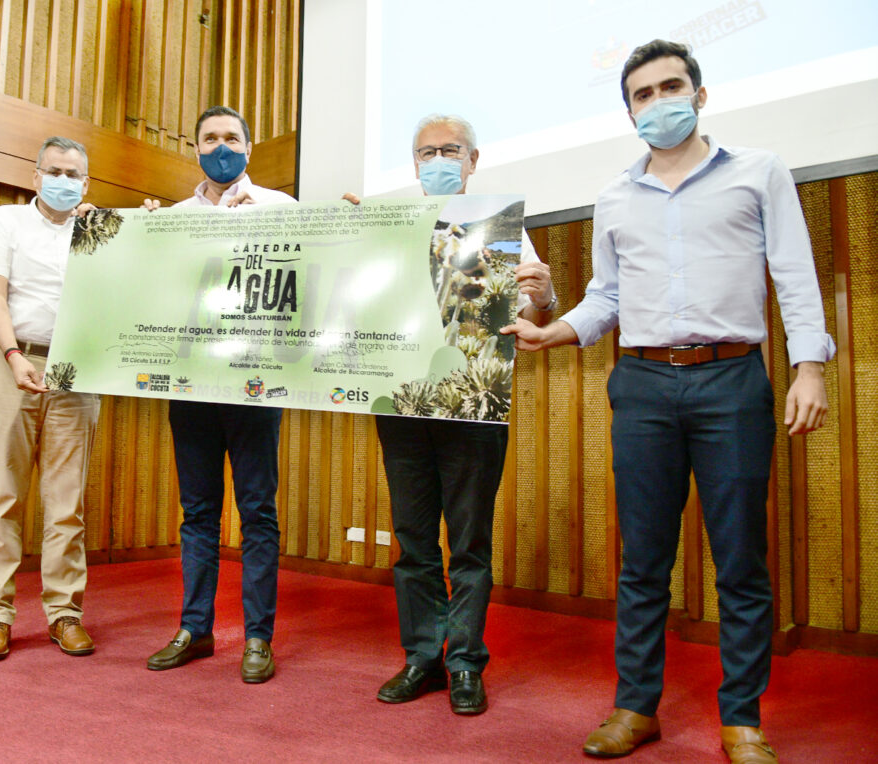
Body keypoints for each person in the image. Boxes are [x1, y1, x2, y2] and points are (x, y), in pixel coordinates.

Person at [503, 40, 833, 763]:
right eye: (643, 95)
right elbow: (607, 296)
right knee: (643, 560)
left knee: (740, 559)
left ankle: (742, 718)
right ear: (629, 111)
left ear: (701, 94)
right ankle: (635, 707)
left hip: (733, 381)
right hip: (643, 384)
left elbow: (796, 274)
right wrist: (557, 331)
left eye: (670, 87)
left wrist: (811, 366)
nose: (658, 102)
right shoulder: (616, 195)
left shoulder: (760, 172)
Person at [345, 114, 556, 714]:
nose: (437, 160)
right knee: (414, 542)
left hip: (473, 407)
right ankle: (421, 659)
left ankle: (464, 663)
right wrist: (345, 235)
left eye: (449, 150)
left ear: (473, 158)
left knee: (468, 544)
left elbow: (531, 324)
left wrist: (542, 299)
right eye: (426, 152)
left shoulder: (505, 228)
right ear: (414, 164)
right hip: (404, 405)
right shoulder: (389, 226)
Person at [143, 105, 294, 683]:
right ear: (196, 148)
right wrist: (143, 237)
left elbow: (303, 285)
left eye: (232, 137)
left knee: (257, 511)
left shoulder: (282, 209)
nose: (221, 146)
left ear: (249, 149)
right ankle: (195, 628)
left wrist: (268, 233)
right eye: (211, 138)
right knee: (198, 510)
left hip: (256, 383)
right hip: (190, 381)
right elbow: (152, 290)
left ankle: (258, 637)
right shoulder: (174, 216)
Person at [0, 136, 102, 661]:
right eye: (55, 171)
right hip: (8, 359)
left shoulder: (97, 230)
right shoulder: (5, 222)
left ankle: (65, 614)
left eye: (74, 175)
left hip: (76, 367)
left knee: (67, 502)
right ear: (35, 175)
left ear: (86, 184)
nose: (64, 181)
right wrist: (11, 355)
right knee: (2, 497)